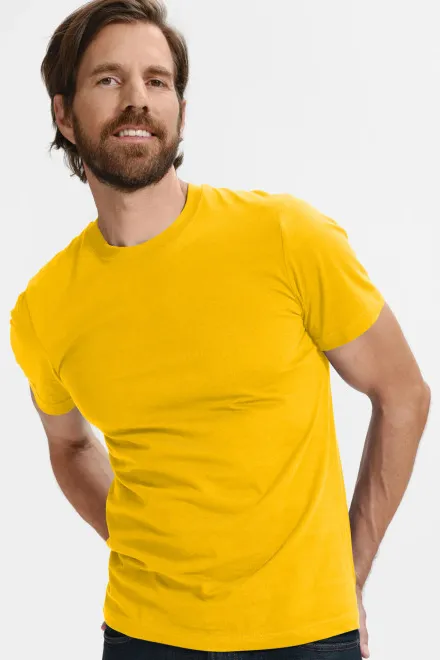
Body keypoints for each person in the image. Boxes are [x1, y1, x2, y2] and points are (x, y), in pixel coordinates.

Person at [9, 2, 431, 659]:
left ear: (179, 109)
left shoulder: (285, 237)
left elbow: (403, 393)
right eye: (109, 79)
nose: (137, 98)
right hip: (142, 637)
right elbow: (67, 445)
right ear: (64, 114)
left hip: (307, 637)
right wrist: (147, 547)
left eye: (157, 80)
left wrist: (349, 572)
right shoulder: (44, 309)